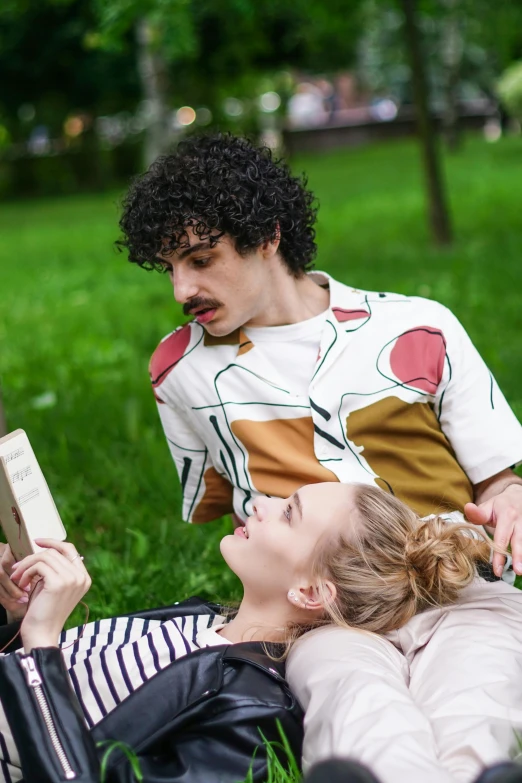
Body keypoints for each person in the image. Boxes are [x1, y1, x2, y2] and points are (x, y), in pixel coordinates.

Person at [112, 131, 522, 780]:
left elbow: (501, 482)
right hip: (322, 609)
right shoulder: (181, 372)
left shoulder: (419, 329)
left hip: (457, 590)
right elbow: (238, 522)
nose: (181, 290)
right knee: (347, 695)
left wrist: (509, 503)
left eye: (199, 258)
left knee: (476, 693)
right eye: (169, 267)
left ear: (268, 237)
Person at [2, 481, 522, 783]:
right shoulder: (201, 620)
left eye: (288, 513)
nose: (259, 503)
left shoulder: (249, 709)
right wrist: (17, 619)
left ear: (312, 593)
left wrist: (42, 642)